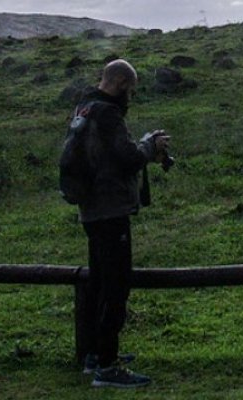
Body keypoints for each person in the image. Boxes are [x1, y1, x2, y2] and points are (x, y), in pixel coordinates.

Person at [73, 58, 171, 389]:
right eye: (130, 90)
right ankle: (108, 366)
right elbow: (127, 157)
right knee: (116, 285)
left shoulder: (84, 107)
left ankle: (94, 355)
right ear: (118, 84)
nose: (131, 97)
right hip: (109, 209)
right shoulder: (108, 113)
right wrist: (150, 146)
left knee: (99, 280)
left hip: (91, 208)